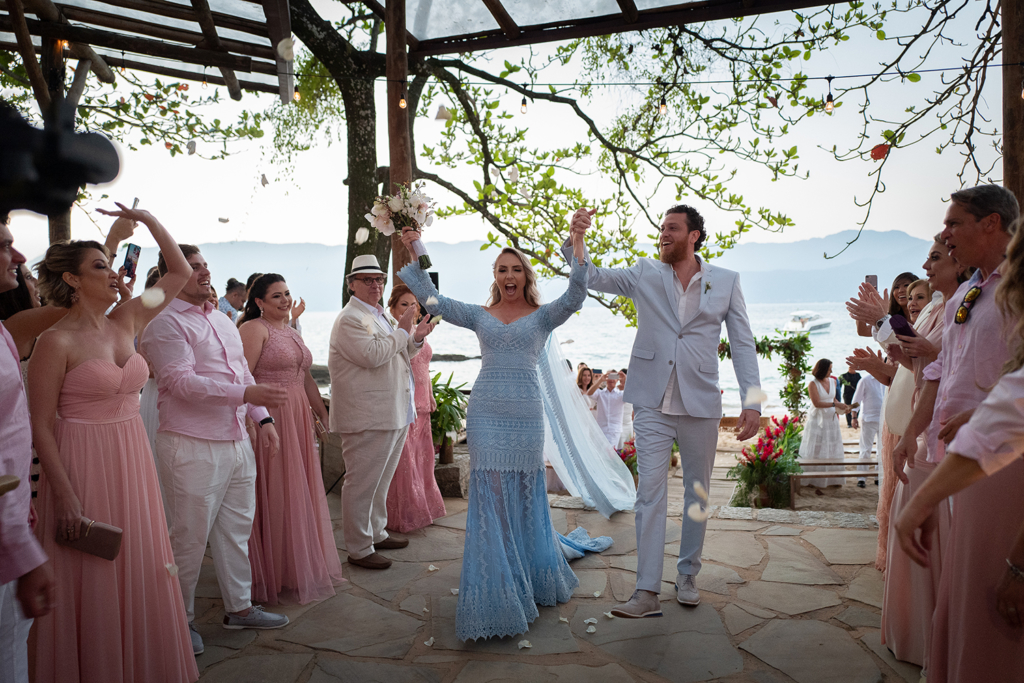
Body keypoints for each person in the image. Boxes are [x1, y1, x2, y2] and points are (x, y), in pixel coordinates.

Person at [28, 205, 198, 682]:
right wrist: (64, 497)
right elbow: (41, 425)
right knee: (94, 575)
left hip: (131, 456)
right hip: (81, 462)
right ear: (73, 280)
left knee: (139, 565)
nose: (112, 270)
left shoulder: (127, 319)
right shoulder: (54, 342)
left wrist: (146, 220)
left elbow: (179, 272)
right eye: (100, 265)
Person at [399, 225, 595, 641]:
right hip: (486, 413)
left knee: (525, 494)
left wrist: (576, 240)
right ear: (495, 275)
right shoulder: (477, 315)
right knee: (490, 497)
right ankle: (497, 586)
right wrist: (416, 245)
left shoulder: (544, 316)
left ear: (525, 276)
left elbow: (577, 295)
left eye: (516, 270)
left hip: (525, 414)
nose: (509, 276)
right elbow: (432, 300)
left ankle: (527, 574)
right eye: (502, 269)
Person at [566, 204, 761, 618]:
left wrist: (752, 402)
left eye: (672, 228)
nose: (663, 235)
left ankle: (688, 573)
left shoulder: (725, 281)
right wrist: (577, 240)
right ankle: (646, 591)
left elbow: (743, 343)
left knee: (698, 493)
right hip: (651, 401)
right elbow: (593, 276)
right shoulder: (644, 273)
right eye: (661, 229)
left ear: (694, 236)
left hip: (701, 403)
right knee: (649, 492)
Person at [891, 186, 1021, 680]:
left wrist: (990, 413)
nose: (944, 235)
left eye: (953, 224)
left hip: (1002, 464)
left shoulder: (1018, 290)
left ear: (991, 224)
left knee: (992, 589)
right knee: (960, 588)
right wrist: (910, 434)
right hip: (952, 458)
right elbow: (939, 372)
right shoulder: (969, 293)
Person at [140, 246, 290, 657]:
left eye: (205, 264)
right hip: (191, 443)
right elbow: (180, 383)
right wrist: (246, 394)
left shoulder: (224, 322)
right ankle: (179, 619)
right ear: (170, 274)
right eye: (192, 267)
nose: (204, 272)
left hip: (237, 441)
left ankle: (239, 607)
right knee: (188, 538)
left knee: (236, 529)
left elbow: (242, 372)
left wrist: (262, 419)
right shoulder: (162, 324)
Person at [880, 238, 966, 667]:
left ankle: (935, 640)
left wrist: (888, 326)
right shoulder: (945, 308)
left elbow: (936, 364)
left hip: (954, 434)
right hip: (923, 425)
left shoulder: (960, 306)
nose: (925, 266)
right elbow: (922, 368)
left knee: (938, 538)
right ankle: (913, 636)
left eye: (935, 257)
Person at [237, 274, 345, 604]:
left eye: (286, 294)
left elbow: (305, 377)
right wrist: (253, 420)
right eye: (276, 296)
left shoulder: (289, 329)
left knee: (296, 489)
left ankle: (293, 565)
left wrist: (322, 414)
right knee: (275, 490)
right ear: (259, 302)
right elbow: (243, 377)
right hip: (271, 415)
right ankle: (270, 570)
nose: (284, 301)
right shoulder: (254, 329)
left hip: (297, 414)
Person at [328, 255, 435, 570]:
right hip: (367, 414)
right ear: (352, 284)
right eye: (367, 280)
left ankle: (376, 530)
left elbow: (398, 351)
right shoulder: (349, 318)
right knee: (362, 482)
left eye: (379, 279)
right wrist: (403, 331)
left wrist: (414, 337)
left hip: (393, 409)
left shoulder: (378, 315)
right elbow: (372, 355)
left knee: (381, 480)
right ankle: (359, 548)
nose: (375, 284)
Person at [0, 218, 53, 683]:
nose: (19, 261)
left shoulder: (5, 335)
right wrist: (25, 551)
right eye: (5, 247)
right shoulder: (15, 332)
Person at [383, 284, 446, 533]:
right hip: (405, 402)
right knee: (405, 461)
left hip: (423, 402)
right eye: (404, 304)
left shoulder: (420, 331)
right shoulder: (393, 333)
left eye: (414, 305)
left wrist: (430, 398)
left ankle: (423, 507)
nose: (410, 309)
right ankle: (401, 514)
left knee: (423, 458)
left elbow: (424, 370)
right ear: (392, 307)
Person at [798, 359, 849, 488]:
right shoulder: (813, 384)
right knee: (816, 447)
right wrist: (835, 404)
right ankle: (813, 479)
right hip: (817, 420)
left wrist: (842, 406)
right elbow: (817, 403)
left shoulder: (833, 381)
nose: (831, 371)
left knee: (832, 447)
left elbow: (834, 399)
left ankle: (832, 479)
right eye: (829, 369)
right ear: (822, 369)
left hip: (831, 419)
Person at [851, 372, 884, 487]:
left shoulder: (887, 379)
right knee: (865, 449)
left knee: (882, 450)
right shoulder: (865, 380)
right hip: (869, 420)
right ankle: (861, 478)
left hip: (884, 420)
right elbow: (856, 400)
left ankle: (878, 476)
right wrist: (854, 417)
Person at [593, 371, 625, 446]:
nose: (612, 379)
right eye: (609, 376)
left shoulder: (620, 394)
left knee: (611, 454)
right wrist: (600, 380)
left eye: (614, 377)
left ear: (617, 379)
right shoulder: (600, 393)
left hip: (614, 430)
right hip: (601, 429)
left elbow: (631, 394)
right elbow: (589, 393)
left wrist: (625, 380)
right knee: (601, 453)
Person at [618, 369, 633, 448]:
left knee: (628, 449)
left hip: (628, 424)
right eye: (620, 377)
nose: (621, 379)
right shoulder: (616, 389)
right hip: (618, 424)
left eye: (623, 377)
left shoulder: (631, 390)